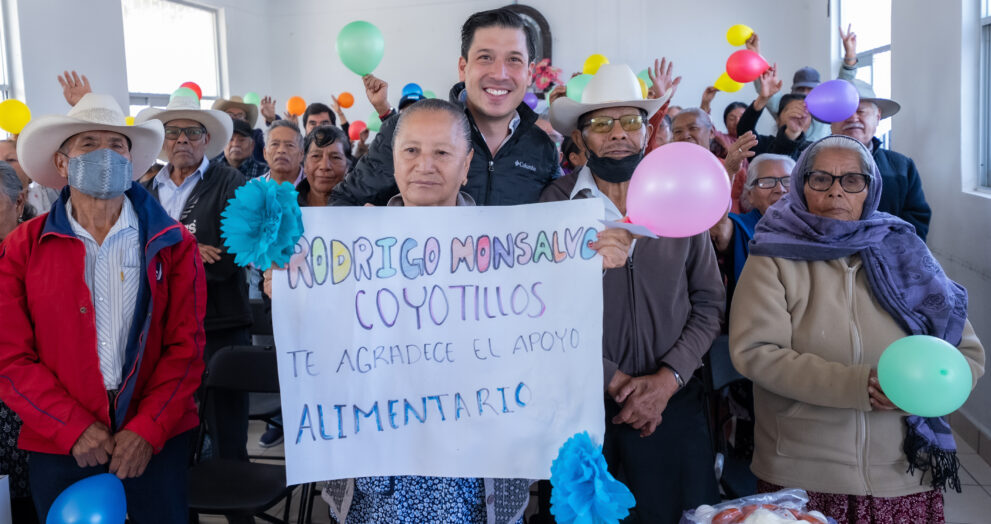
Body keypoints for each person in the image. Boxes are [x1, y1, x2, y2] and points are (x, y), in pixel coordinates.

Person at [729, 135, 985, 524]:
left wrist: (924, 391)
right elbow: (756, 352)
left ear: (870, 189)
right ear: (801, 186)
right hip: (806, 472)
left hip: (903, 471)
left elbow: (966, 352)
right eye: (821, 179)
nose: (836, 192)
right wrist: (859, 384)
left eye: (852, 180)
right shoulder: (773, 255)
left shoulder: (906, 250)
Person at [0, 93, 205, 522]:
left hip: (156, 439)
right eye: (88, 144)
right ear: (62, 164)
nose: (105, 155)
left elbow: (185, 347)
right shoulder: (22, 247)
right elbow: (9, 356)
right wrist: (71, 426)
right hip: (60, 443)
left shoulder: (174, 244)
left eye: (117, 145)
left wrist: (147, 428)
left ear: (131, 162)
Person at [543, 63, 723, 523]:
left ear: (648, 131)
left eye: (630, 121)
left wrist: (667, 380)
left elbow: (708, 303)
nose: (618, 133)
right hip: (584, 407)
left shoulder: (681, 196)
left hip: (674, 401)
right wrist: (614, 380)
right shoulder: (552, 205)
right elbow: (543, 309)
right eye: (601, 124)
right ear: (580, 138)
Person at [331, 7, 558, 206]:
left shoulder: (542, 149)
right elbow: (343, 203)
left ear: (530, 73)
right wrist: (376, 226)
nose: (499, 74)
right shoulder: (404, 131)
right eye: (485, 57)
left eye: (514, 59)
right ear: (463, 67)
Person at [136, 92, 253, 462]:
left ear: (206, 139)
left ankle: (236, 499)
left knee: (227, 434)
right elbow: (136, 253)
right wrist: (187, 248)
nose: (182, 140)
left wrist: (166, 255)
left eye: (192, 132)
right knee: (174, 434)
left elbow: (230, 255)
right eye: (173, 132)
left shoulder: (231, 181)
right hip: (165, 328)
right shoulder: (146, 191)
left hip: (220, 323)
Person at [829, 79, 931, 241]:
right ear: (831, 120)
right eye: (844, 111)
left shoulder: (902, 167)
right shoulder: (810, 164)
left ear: (877, 117)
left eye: (861, 111)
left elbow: (916, 222)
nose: (853, 118)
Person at [747, 26, 859, 142]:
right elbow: (766, 84)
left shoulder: (827, 109)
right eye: (800, 89)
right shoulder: (784, 108)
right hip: (786, 151)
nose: (805, 94)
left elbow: (843, 88)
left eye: (810, 89)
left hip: (821, 152)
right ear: (792, 92)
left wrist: (850, 54)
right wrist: (755, 54)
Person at [710, 153, 794, 305]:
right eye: (767, 182)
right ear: (750, 195)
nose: (780, 189)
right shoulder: (742, 226)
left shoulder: (813, 228)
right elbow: (718, 228)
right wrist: (729, 171)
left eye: (788, 181)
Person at [671, 108, 758, 214]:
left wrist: (729, 172)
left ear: (711, 132)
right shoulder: (667, 173)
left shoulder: (734, 170)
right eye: (678, 131)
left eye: (693, 128)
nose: (685, 136)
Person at [734, 65, 812, 160]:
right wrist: (763, 99)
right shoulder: (763, 145)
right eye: (792, 111)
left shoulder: (814, 151)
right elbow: (744, 129)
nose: (797, 116)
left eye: (803, 113)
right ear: (778, 118)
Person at [298, 125, 351, 207]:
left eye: (335, 157)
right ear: (304, 164)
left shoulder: (362, 208)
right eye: (316, 156)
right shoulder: (285, 207)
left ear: (347, 166)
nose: (325, 166)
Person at [212, 95, 267, 164]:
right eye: (230, 115)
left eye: (240, 116)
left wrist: (272, 120)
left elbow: (273, 145)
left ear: (246, 121)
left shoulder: (256, 135)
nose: (235, 118)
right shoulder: (214, 139)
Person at [262, 120, 306, 186]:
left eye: (290, 145)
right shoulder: (253, 188)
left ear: (301, 154)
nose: (281, 150)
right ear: (265, 153)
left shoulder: (314, 187)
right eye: (274, 144)